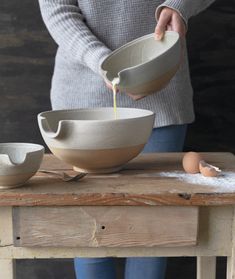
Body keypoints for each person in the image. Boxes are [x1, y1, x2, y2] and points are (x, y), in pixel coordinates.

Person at [38, 0, 215, 278]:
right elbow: (57, 10)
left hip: (163, 97)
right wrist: (106, 64)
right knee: (89, 232)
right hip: (82, 103)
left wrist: (179, 6)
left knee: (153, 233)